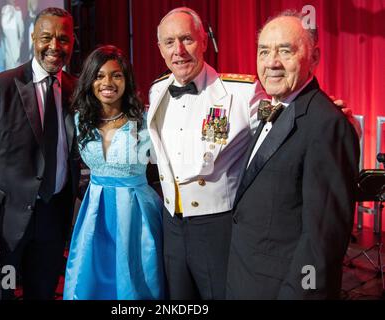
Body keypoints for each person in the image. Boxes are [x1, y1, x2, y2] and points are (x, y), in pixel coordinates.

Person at [225, 11, 359, 299]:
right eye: (264, 51)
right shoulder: (273, 106)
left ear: (314, 57)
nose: (271, 62)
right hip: (246, 279)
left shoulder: (327, 125)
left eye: (285, 50)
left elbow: (322, 241)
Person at [0, 7, 79, 300]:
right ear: (33, 38)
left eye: (63, 39)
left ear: (72, 42)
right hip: (2, 229)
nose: (54, 46)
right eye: (46, 37)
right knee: (3, 294)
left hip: (51, 223)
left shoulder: (76, 90)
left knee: (43, 293)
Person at [147, 7, 266, 299]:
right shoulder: (157, 90)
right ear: (159, 49)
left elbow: (285, 128)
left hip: (218, 225)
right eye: (169, 42)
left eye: (186, 39)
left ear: (203, 40)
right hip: (171, 224)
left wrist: (333, 116)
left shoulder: (242, 92)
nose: (179, 51)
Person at [63, 45, 164, 300]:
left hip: (137, 212)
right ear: (90, 81)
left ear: (126, 80)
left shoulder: (146, 118)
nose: (107, 82)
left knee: (137, 285)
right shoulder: (79, 120)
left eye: (116, 75)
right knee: (91, 285)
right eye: (99, 76)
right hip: (95, 212)